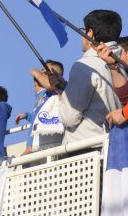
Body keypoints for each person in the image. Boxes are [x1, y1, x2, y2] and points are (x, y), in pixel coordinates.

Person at [32, 10, 122, 144]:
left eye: (84, 31)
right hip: (112, 144)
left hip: (86, 149)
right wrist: (63, 87)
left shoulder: (85, 66)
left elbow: (68, 117)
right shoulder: (122, 65)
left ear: (90, 33)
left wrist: (62, 94)